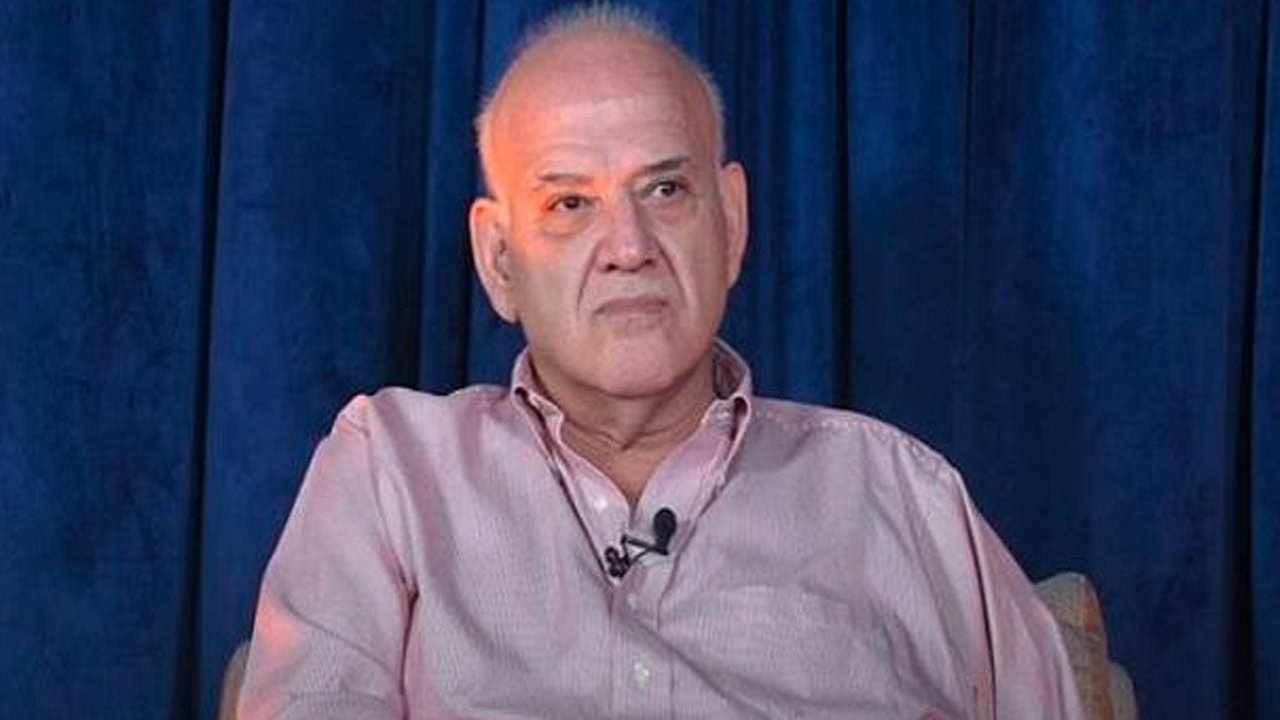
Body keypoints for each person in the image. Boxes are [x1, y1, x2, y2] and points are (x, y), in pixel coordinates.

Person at [238, 6, 1084, 720]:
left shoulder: (903, 496)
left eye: (665, 190)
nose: (629, 246)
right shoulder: (389, 472)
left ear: (732, 223)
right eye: (570, 202)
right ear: (499, 260)